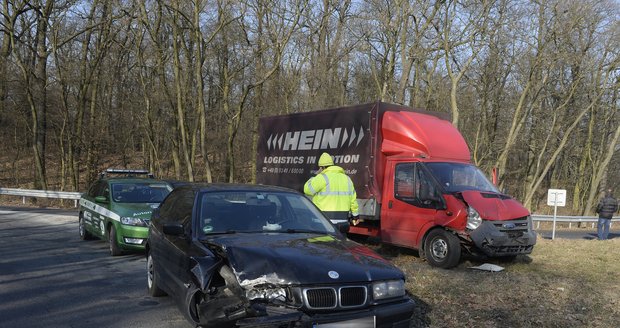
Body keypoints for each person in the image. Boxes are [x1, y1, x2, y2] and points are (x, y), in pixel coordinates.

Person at [304, 153, 360, 225]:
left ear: (322, 167)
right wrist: (355, 216)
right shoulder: (347, 179)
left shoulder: (322, 177)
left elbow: (307, 190)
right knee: (340, 236)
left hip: (324, 221)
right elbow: (353, 200)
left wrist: (314, 176)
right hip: (342, 222)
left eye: (319, 168)